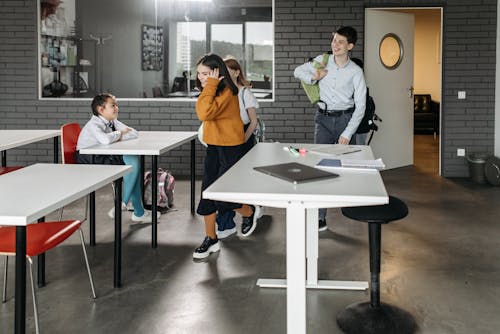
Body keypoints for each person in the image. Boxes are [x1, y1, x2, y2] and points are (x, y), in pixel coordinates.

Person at [293, 26, 367, 232]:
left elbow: (361, 106)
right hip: (323, 119)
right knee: (320, 166)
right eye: (334, 40)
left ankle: (352, 205)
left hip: (345, 119)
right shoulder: (322, 60)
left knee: (347, 165)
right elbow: (297, 71)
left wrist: (347, 132)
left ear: (350, 46)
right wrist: (315, 75)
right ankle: (320, 216)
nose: (335, 45)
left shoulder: (356, 72)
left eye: (341, 42)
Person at [194, 53, 256, 259]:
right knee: (207, 195)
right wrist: (209, 86)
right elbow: (203, 110)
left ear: (216, 73)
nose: (201, 78)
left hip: (230, 148)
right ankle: (211, 238)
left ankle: (249, 211)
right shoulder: (210, 90)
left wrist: (210, 85)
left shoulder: (229, 91)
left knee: (224, 197)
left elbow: (204, 113)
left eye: (205, 73)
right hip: (213, 147)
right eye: (199, 74)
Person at [76, 93, 161, 223]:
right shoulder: (94, 124)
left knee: (132, 163)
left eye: (117, 105)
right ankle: (134, 210)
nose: (117, 108)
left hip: (103, 156)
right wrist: (120, 134)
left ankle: (128, 207)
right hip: (90, 160)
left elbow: (133, 133)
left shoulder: (112, 121)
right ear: (101, 109)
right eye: (113, 105)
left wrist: (118, 135)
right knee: (132, 165)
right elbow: (105, 140)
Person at [213, 57, 261, 239]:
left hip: (242, 136)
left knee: (239, 182)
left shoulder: (244, 93)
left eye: (227, 69)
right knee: (223, 181)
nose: (224, 73)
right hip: (223, 137)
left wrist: (241, 141)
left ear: (236, 72)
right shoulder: (220, 92)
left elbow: (253, 121)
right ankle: (225, 224)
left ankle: (249, 212)